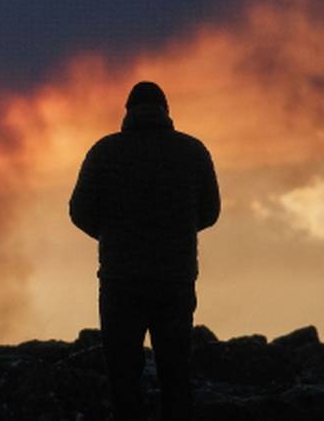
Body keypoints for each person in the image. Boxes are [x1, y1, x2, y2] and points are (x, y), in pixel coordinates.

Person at [70, 81, 220, 420]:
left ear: (127, 112)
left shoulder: (104, 151)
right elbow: (211, 212)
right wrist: (176, 235)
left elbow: (79, 211)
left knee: (123, 377)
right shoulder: (192, 151)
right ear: (166, 111)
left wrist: (112, 237)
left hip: (120, 281)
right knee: (175, 373)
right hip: (175, 280)